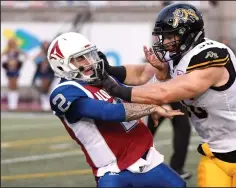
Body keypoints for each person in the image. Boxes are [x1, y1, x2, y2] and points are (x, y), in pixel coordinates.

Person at [100, 3, 236, 187]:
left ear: (188, 34)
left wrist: (115, 89)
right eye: (163, 36)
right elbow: (143, 73)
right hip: (214, 153)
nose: (165, 42)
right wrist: (108, 70)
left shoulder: (212, 57)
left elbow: (164, 92)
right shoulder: (178, 56)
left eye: (170, 36)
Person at [47, 32, 186, 188]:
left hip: (147, 160)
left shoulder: (104, 78)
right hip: (112, 171)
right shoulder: (64, 92)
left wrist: (158, 81)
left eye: (89, 55)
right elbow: (109, 112)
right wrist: (151, 107)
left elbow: (134, 95)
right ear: (61, 64)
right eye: (80, 58)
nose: (89, 62)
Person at [1, 38, 26, 111]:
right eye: (10, 42)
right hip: (9, 69)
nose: (11, 43)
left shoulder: (17, 50)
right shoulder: (7, 50)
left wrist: (18, 63)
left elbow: (25, 55)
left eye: (13, 42)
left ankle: (14, 104)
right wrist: (6, 63)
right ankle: (10, 104)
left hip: (15, 69)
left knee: (15, 85)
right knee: (10, 85)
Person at [32, 40, 55, 111]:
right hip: (41, 74)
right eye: (44, 45)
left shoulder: (51, 54)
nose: (45, 47)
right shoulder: (41, 54)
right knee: (43, 89)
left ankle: (49, 104)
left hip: (50, 73)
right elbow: (34, 60)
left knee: (49, 89)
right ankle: (45, 104)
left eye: (47, 45)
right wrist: (41, 54)